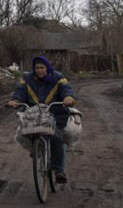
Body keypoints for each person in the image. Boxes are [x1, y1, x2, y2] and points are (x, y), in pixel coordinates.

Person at [7, 55, 76, 183]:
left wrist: (68, 98)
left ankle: (59, 170)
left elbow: (66, 89)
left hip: (55, 113)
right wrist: (15, 100)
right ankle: (36, 148)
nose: (39, 70)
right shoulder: (27, 78)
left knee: (56, 138)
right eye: (37, 68)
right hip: (34, 114)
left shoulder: (58, 77)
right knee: (26, 132)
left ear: (47, 68)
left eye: (42, 67)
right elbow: (19, 91)